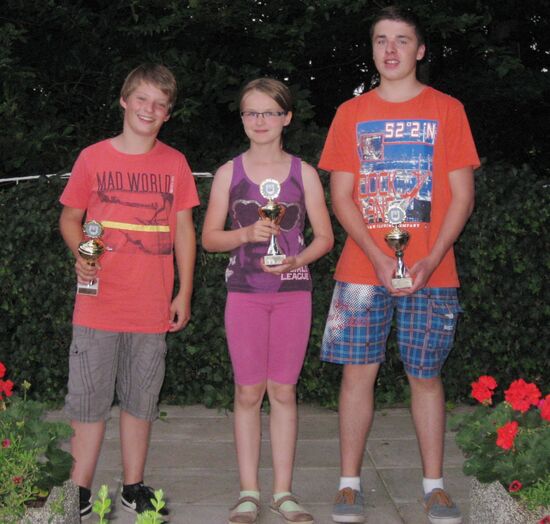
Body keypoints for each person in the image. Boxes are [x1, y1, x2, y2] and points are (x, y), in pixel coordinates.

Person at [318, 6, 480, 524]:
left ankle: (434, 487)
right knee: (356, 376)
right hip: (360, 273)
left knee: (426, 377)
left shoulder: (448, 109)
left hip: (434, 270)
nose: (390, 50)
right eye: (381, 40)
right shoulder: (351, 113)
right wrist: (378, 255)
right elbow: (341, 196)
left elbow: (462, 197)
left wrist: (430, 258)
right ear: (372, 49)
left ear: (420, 49)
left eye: (402, 40)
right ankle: (348, 485)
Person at [59, 63, 199, 520]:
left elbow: (184, 231)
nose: (149, 109)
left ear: (168, 114)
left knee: (141, 400)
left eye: (160, 104)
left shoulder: (175, 163)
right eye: (142, 98)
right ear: (124, 100)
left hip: (151, 306)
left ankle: (133, 486)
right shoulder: (92, 158)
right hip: (98, 304)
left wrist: (184, 292)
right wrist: (81, 252)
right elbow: (70, 218)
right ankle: (79, 490)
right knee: (88, 401)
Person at [202, 78, 333, 524]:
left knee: (283, 391)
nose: (260, 121)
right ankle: (248, 493)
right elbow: (209, 239)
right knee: (246, 392)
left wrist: (297, 258)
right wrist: (244, 234)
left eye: (270, 112)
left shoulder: (304, 173)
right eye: (251, 112)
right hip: (244, 295)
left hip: (293, 295)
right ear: (242, 118)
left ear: (287, 118)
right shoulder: (228, 173)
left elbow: (325, 238)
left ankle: (283, 493)